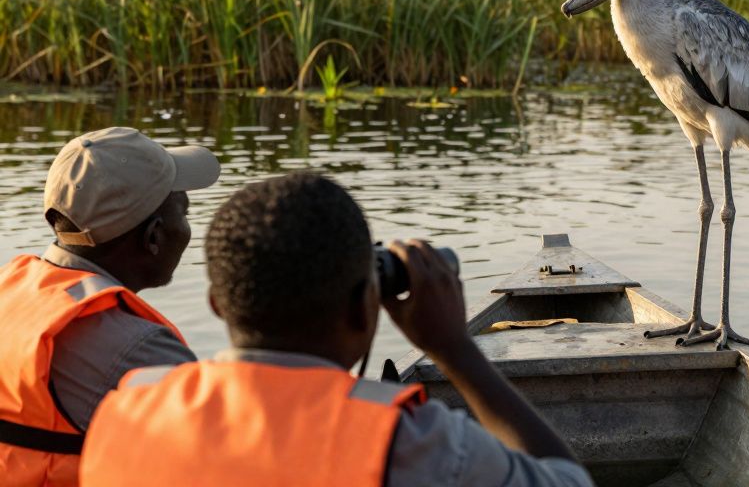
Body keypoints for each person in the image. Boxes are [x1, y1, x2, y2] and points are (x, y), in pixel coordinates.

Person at [79, 172, 593, 487]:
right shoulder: (411, 443)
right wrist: (455, 351)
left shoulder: (125, 408)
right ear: (362, 308)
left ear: (217, 304)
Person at [0, 127, 220, 486]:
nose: (187, 227)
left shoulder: (8, 293)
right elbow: (228, 462)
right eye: (185, 213)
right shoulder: (140, 349)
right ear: (154, 237)